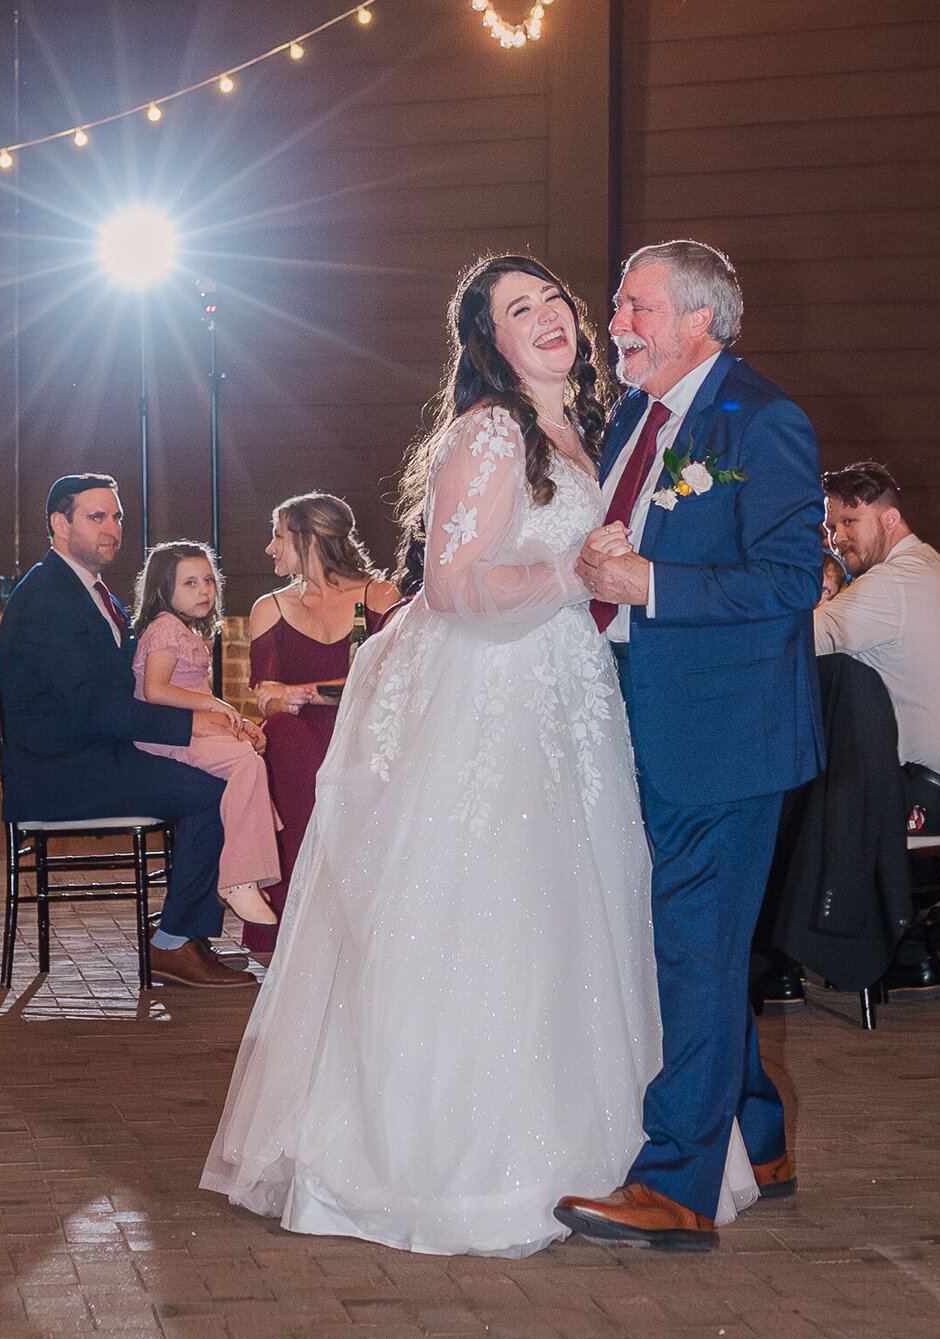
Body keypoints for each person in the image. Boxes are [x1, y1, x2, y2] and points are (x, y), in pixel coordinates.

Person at [202, 255, 670, 1256]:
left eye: (551, 301)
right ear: (489, 343)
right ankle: (457, 1167)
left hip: (567, 698)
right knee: (491, 911)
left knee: (571, 912)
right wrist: (572, 568)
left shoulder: (581, 435)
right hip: (493, 704)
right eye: (517, 310)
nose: (545, 318)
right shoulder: (491, 431)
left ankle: (589, 1148)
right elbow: (455, 586)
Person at [556, 239, 824, 1253]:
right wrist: (597, 563)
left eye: (637, 306)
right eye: (620, 305)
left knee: (695, 952)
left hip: (726, 736)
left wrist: (652, 589)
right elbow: (626, 538)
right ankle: (760, 1139)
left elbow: (796, 579)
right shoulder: (637, 415)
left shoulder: (763, 419)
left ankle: (674, 1186)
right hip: (638, 718)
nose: (617, 322)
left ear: (699, 320)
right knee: (692, 948)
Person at [0, 474, 255, 990]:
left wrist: (206, 723)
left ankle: (187, 934)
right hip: (63, 769)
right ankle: (174, 944)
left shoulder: (87, 590)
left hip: (101, 752)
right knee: (211, 793)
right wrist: (189, 723)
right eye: (97, 517)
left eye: (116, 517)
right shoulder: (46, 598)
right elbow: (96, 707)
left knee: (216, 769)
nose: (112, 529)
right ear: (59, 523)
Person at [815, 463, 940, 995]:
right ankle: (906, 948)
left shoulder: (895, 580)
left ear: (890, 518)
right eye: (831, 525)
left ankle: (870, 951)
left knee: (803, 794)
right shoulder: (928, 566)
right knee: (850, 771)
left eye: (850, 520)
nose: (838, 535)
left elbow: (811, 638)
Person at [240, 494, 399, 951]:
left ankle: (360, 923)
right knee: (283, 736)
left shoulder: (379, 596)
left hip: (365, 732)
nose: (271, 549)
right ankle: (287, 926)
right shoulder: (269, 607)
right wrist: (284, 701)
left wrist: (306, 693)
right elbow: (268, 699)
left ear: (307, 539)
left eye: (278, 536)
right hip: (299, 740)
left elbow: (383, 681)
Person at [130, 540, 280, 931]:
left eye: (209, 581)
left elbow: (197, 694)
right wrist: (217, 709)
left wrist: (236, 719)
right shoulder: (166, 629)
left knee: (250, 758)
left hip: (188, 729)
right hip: (166, 735)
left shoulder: (184, 631)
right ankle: (238, 880)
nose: (204, 590)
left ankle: (237, 870)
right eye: (190, 583)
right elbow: (156, 690)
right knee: (246, 765)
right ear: (164, 589)